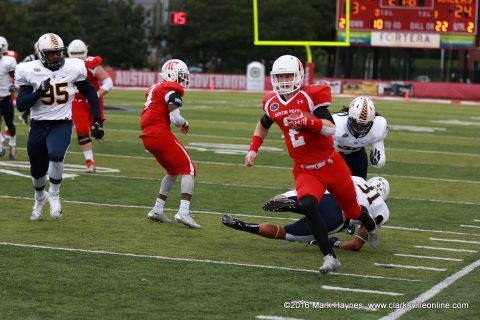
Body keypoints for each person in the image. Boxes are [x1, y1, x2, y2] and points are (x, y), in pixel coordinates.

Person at [245, 54, 378, 273]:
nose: (284, 80)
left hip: (330, 164)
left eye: (288, 75)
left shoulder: (310, 97)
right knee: (308, 205)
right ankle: (329, 256)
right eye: (280, 76)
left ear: (299, 75)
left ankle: (371, 226)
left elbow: (331, 127)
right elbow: (262, 125)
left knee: (353, 210)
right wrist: (253, 148)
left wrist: (307, 121)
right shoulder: (272, 102)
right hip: (305, 170)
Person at [15, 33, 103, 221]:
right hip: (38, 124)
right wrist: (37, 92)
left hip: (61, 121)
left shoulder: (74, 67)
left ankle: (54, 194)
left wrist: (97, 120)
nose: (55, 56)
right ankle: (39, 198)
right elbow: (22, 104)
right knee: (37, 170)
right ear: (40, 53)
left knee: (56, 154)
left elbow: (90, 93)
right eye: (50, 53)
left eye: (58, 52)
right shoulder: (28, 69)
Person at [222, 176, 390, 251]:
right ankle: (242, 225)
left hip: (327, 197)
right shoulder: (381, 208)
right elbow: (356, 245)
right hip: (338, 218)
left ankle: (292, 202)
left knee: (305, 200)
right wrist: (335, 243)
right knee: (285, 233)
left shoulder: (359, 179)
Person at [140, 59, 200, 229]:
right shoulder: (170, 90)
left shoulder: (155, 88)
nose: (183, 80)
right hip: (159, 133)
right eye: (181, 76)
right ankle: (183, 212)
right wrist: (185, 123)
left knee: (173, 171)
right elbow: (175, 119)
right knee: (189, 169)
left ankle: (157, 210)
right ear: (172, 75)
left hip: (147, 136)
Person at [67, 39, 113, 173]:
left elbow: (108, 82)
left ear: (85, 51)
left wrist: (96, 95)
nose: (77, 55)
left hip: (93, 100)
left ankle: (97, 130)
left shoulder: (91, 64)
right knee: (81, 130)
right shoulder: (65, 64)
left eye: (80, 52)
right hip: (77, 100)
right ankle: (90, 163)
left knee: (98, 130)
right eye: (74, 52)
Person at [333, 96, 388, 179]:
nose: (359, 129)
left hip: (358, 154)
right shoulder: (336, 123)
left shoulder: (378, 126)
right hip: (335, 153)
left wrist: (378, 147)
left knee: (359, 185)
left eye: (364, 126)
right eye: (356, 124)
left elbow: (378, 139)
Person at [0, 35, 17, 160]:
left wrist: (14, 85)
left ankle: (12, 145)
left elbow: (16, 77)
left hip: (6, 98)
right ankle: (0, 146)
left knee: (10, 124)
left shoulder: (8, 61)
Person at [17, 41, 41, 126]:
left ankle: (25, 115)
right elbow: (21, 69)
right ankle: (25, 115)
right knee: (32, 99)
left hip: (40, 82)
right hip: (30, 83)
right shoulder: (30, 58)